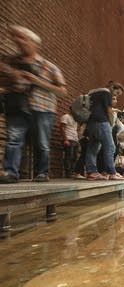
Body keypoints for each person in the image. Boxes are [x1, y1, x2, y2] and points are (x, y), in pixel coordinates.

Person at [0, 26, 67, 183]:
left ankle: (42, 173)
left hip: (42, 109)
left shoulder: (49, 66)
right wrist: (11, 78)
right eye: (17, 38)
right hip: (16, 107)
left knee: (42, 142)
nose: (19, 41)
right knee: (14, 139)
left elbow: (62, 91)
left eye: (24, 39)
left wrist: (37, 82)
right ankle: (10, 172)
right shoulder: (9, 63)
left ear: (35, 44)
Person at [85, 81, 124, 180]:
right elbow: (108, 110)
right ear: (112, 87)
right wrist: (110, 122)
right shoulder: (106, 92)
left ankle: (92, 172)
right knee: (110, 147)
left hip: (91, 122)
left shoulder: (92, 93)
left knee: (92, 147)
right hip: (102, 122)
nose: (115, 95)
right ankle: (112, 172)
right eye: (116, 93)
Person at [60, 109, 79, 178]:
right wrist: (65, 139)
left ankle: (72, 172)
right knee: (69, 156)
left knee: (74, 157)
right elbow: (62, 127)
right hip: (69, 139)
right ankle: (68, 173)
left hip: (75, 140)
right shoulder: (66, 116)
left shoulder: (76, 119)